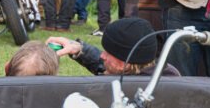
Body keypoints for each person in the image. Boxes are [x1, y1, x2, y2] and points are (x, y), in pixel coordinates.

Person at [47, 17, 179, 77]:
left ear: (124, 63)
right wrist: (80, 49)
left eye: (108, 53)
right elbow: (112, 66)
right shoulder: (169, 74)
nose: (102, 55)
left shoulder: (118, 89)